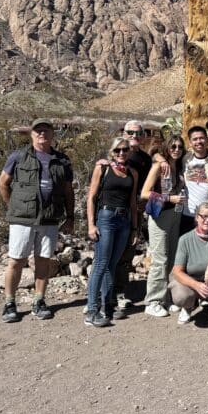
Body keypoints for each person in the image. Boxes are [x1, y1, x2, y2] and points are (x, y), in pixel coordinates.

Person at [0, 118, 75, 323]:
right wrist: (14, 206)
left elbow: (68, 191)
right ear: (31, 134)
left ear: (52, 134)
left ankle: (39, 300)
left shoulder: (63, 161)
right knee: (16, 260)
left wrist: (70, 217)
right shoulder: (19, 156)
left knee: (43, 260)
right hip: (22, 219)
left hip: (49, 218)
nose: (42, 134)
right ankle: (9, 302)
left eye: (46, 130)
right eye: (38, 131)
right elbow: (3, 183)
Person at [84, 137, 138, 327]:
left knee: (112, 264)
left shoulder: (132, 173)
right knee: (101, 263)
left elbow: (133, 203)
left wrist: (134, 228)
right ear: (112, 152)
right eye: (117, 150)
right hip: (106, 217)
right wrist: (91, 224)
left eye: (125, 150)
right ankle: (91, 309)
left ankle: (107, 306)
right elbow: (91, 197)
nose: (121, 153)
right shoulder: (103, 169)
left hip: (124, 220)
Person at [141, 135, 187, 318]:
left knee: (173, 257)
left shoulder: (179, 165)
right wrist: (169, 198)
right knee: (160, 258)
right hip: (160, 215)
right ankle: (152, 301)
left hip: (175, 214)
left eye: (180, 147)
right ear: (167, 148)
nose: (176, 150)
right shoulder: (159, 166)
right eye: (173, 146)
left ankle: (167, 297)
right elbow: (145, 193)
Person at [169, 202, 208, 330]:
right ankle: (187, 307)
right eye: (203, 216)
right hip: (190, 281)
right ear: (197, 217)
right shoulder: (185, 239)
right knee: (181, 295)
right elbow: (177, 271)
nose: (207, 220)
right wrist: (196, 285)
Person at [113, 120, 152, 313]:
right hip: (113, 210)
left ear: (143, 136)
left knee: (127, 251)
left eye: (138, 133)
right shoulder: (116, 154)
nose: (134, 136)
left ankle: (119, 291)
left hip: (135, 211)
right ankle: (105, 291)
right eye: (130, 132)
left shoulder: (145, 159)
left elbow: (149, 185)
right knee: (109, 251)